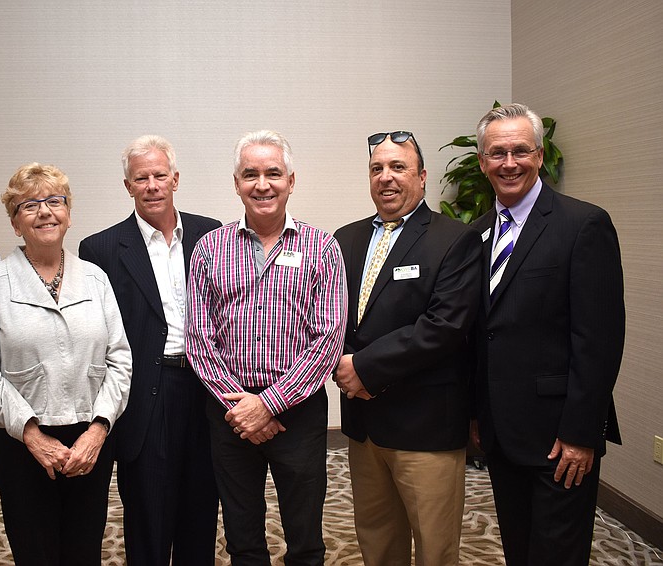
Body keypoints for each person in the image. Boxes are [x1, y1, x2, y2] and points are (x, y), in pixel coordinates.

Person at [469, 103, 625, 565]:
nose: (509, 162)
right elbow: (483, 333)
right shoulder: (476, 234)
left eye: (520, 150)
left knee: (557, 554)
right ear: (482, 162)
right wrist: (479, 413)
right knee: (519, 549)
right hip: (502, 432)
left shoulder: (583, 224)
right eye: (498, 152)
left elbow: (599, 340)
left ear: (539, 155)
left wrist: (581, 432)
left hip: (560, 437)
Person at [186, 130, 346, 565]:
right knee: (242, 538)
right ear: (236, 183)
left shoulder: (322, 248)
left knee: (306, 538)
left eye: (273, 173)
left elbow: (328, 338)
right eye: (250, 174)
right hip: (230, 415)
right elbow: (199, 340)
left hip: (298, 414)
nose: (263, 184)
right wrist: (244, 408)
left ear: (291, 181)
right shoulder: (209, 249)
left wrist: (270, 405)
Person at [0, 163, 132, 565]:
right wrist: (32, 436)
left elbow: (120, 360)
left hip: (89, 438)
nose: (45, 211)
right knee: (35, 550)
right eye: (29, 205)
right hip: (19, 440)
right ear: (14, 222)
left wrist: (98, 431)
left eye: (54, 201)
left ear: (69, 214)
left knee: (84, 548)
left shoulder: (96, 279)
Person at [333, 131, 481, 565]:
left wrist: (363, 368)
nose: (386, 178)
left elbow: (443, 326)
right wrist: (341, 367)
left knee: (434, 549)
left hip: (426, 427)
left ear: (421, 177)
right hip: (365, 425)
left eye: (398, 167)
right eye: (377, 169)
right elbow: (330, 317)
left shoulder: (455, 238)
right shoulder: (346, 238)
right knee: (377, 542)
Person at [79, 135, 221, 565]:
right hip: (145, 395)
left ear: (175, 179)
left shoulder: (211, 234)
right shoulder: (100, 249)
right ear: (128, 187)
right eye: (141, 178)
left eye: (160, 175)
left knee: (201, 514)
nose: (152, 185)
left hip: (207, 389)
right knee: (149, 521)